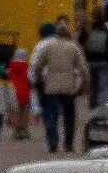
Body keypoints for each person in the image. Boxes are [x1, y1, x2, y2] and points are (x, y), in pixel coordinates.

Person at [31, 20, 87, 155]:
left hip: (51, 86)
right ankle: (68, 144)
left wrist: (40, 79)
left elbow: (38, 66)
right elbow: (83, 68)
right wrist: (85, 83)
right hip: (69, 87)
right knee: (69, 117)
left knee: (51, 115)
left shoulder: (48, 48)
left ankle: (53, 142)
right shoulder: (73, 47)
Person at [82, 2, 108, 109]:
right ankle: (103, 107)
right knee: (104, 87)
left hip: (91, 60)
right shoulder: (107, 26)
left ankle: (92, 105)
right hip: (104, 60)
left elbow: (82, 42)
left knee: (93, 85)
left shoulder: (89, 27)